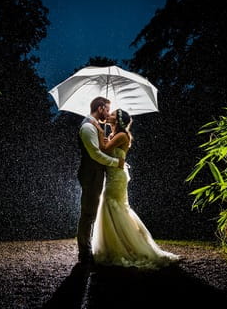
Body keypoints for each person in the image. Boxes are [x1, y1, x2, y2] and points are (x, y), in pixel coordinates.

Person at [90, 108, 180, 269]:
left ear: (117, 120)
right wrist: (103, 133)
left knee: (112, 205)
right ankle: (116, 244)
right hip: (113, 175)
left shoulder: (122, 135)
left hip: (117, 177)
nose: (108, 116)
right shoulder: (115, 135)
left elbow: (103, 149)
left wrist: (97, 129)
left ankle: (124, 246)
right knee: (113, 207)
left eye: (112, 114)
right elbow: (106, 147)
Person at [77, 96, 125, 265]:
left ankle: (87, 247)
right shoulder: (88, 127)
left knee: (92, 211)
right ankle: (84, 252)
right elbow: (95, 155)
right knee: (88, 212)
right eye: (107, 109)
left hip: (96, 174)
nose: (108, 112)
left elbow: (100, 148)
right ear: (100, 108)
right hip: (90, 175)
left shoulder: (96, 126)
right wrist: (115, 162)